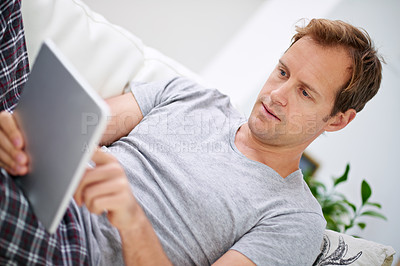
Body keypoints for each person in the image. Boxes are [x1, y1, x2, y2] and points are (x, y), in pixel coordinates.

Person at [0, 18, 383, 265]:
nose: (276, 94)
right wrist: (19, 133)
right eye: (281, 71)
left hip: (75, 250)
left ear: (337, 119)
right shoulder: (189, 95)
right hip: (40, 181)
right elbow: (78, 123)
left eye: (304, 92)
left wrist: (132, 220)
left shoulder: (295, 218)